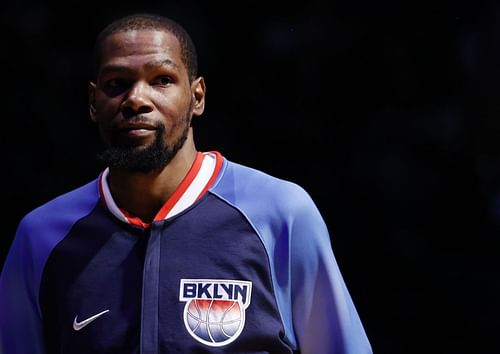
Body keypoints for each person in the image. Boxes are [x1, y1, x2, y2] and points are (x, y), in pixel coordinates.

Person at [0, 12, 372, 354]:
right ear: (93, 102)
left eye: (161, 80)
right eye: (117, 84)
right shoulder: (41, 237)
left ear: (197, 97)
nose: (136, 99)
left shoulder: (281, 214)